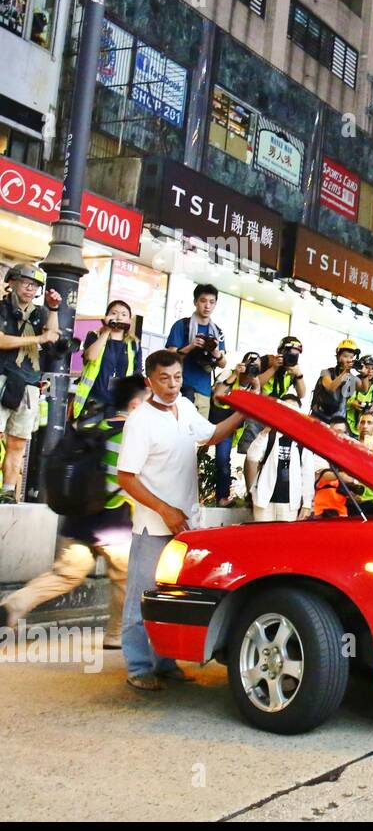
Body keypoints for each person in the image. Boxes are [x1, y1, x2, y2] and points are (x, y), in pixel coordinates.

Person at [115, 350, 245, 691]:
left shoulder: (186, 408)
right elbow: (126, 477)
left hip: (186, 527)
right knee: (142, 597)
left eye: (177, 377)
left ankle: (166, 661)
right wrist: (164, 509)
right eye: (164, 379)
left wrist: (243, 413)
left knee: (172, 597)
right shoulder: (140, 420)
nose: (172, 385)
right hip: (153, 526)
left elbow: (213, 435)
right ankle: (139, 666)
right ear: (149, 382)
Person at [0, 375, 147, 647]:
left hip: (79, 516)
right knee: (125, 578)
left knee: (65, 574)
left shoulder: (97, 425)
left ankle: (15, 605)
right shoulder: (133, 434)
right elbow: (133, 481)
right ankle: (115, 635)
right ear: (136, 405)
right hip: (114, 522)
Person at [0, 264, 62, 502]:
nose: (30, 288)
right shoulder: (2, 308)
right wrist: (39, 338)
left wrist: (54, 308)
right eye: (25, 282)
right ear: (12, 282)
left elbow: (53, 337)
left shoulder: (41, 313)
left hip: (29, 384)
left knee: (18, 442)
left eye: (34, 285)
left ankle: (7, 491)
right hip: (2, 376)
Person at [246, 394, 318, 522]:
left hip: (290, 503)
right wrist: (265, 432)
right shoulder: (270, 435)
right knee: (262, 538)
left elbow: (307, 474)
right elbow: (252, 456)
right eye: (285, 409)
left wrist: (307, 504)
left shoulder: (303, 442)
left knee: (285, 540)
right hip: (264, 500)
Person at [164, 283, 226, 417]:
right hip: (180, 388)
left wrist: (215, 353)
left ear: (215, 304)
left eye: (212, 302)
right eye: (203, 301)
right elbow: (168, 358)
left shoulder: (217, 332)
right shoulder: (182, 325)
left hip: (204, 391)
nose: (207, 306)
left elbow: (223, 364)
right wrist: (191, 346)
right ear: (195, 302)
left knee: (199, 436)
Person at [73, 299, 140, 420]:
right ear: (106, 317)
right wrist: (107, 330)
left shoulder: (133, 343)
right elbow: (91, 356)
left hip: (119, 405)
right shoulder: (94, 335)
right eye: (114, 313)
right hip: (94, 400)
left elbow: (137, 373)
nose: (119, 317)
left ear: (129, 320)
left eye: (124, 315)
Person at [210, 354, 260, 506]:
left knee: (223, 461)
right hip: (214, 421)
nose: (252, 368)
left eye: (256, 366)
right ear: (243, 363)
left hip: (230, 428)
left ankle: (222, 498)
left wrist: (257, 385)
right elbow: (217, 395)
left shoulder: (253, 384)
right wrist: (235, 374)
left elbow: (253, 405)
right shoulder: (229, 373)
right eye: (251, 364)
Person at [312, 339, 359, 422]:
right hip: (319, 417)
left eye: (351, 357)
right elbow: (331, 387)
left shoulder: (352, 378)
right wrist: (345, 372)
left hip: (338, 421)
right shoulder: (326, 372)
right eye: (345, 356)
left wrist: (365, 374)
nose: (348, 360)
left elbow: (364, 388)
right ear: (338, 356)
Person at [256, 335, 307, 401]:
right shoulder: (268, 360)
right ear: (280, 351)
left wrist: (299, 375)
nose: (292, 357)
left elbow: (302, 395)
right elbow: (255, 384)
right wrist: (273, 368)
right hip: (259, 402)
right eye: (289, 353)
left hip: (277, 405)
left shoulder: (294, 369)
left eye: (296, 355)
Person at [346, 355, 373, 435]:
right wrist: (351, 403)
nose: (370, 371)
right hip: (347, 426)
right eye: (367, 367)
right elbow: (341, 401)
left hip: (362, 430)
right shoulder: (353, 382)